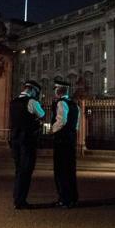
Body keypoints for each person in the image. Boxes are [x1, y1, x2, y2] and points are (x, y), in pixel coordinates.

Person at [9, 80, 45, 210]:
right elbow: (42, 114)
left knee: (18, 169)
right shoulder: (32, 102)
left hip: (14, 139)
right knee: (26, 170)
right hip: (27, 140)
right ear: (33, 90)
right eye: (36, 92)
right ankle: (20, 200)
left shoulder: (13, 102)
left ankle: (16, 197)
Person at [50, 80, 80, 208]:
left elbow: (61, 120)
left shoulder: (61, 103)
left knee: (60, 170)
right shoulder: (75, 104)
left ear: (58, 91)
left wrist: (52, 129)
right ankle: (72, 197)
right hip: (70, 139)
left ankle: (64, 198)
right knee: (70, 170)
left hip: (61, 140)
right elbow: (77, 124)